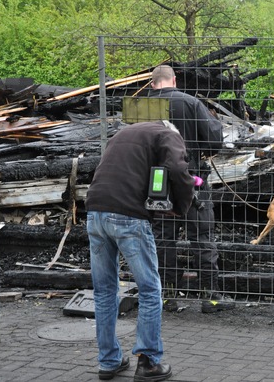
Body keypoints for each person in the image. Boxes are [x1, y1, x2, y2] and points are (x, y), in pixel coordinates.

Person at [86, 120, 195, 381]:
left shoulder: (125, 133)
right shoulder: (168, 134)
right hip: (128, 218)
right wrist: (182, 207)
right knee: (149, 289)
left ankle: (109, 361)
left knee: (103, 291)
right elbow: (178, 169)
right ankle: (148, 362)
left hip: (95, 212)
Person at [149, 64, 235, 313]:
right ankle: (210, 298)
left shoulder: (141, 106)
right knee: (202, 237)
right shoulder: (190, 103)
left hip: (158, 182)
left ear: (153, 84)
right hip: (193, 177)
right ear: (174, 80)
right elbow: (213, 139)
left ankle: (166, 296)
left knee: (164, 239)